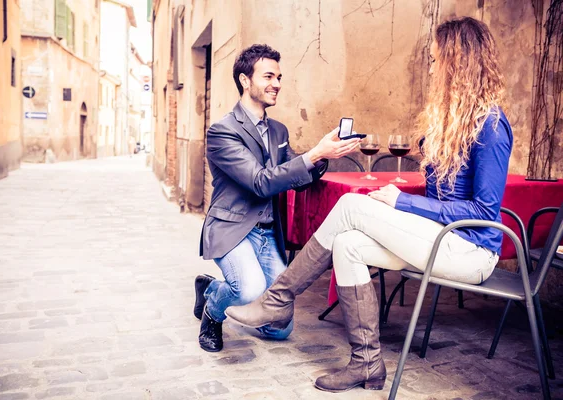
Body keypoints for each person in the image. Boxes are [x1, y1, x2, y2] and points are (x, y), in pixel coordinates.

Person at [226, 17, 513, 392]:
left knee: (350, 206)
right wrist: (406, 195)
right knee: (347, 244)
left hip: (470, 251)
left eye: (435, 60)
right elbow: (444, 198)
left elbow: (483, 212)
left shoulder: (490, 125)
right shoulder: (453, 123)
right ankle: (367, 363)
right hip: (440, 239)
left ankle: (278, 298)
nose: (430, 68)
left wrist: (405, 203)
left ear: (457, 64)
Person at [194, 44, 362, 352]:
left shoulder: (278, 130)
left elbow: (294, 175)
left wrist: (324, 156)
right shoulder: (222, 131)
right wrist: (314, 154)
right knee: (248, 289)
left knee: (278, 328)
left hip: (269, 233)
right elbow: (260, 182)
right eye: (268, 76)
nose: (277, 84)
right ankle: (212, 308)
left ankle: (214, 288)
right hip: (232, 230)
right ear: (245, 81)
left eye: (279, 77)